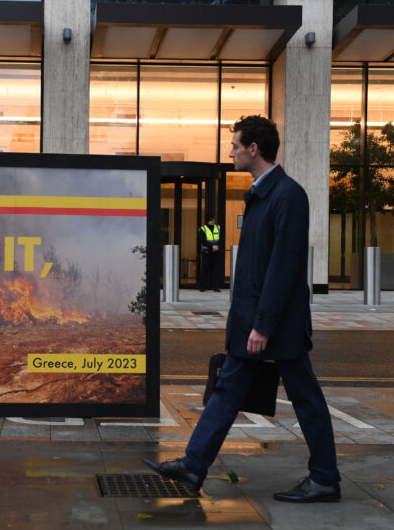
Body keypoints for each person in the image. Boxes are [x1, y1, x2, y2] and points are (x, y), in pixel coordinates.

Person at [143, 115, 341, 502]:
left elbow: (283, 268)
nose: (229, 151)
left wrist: (263, 325)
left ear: (254, 149)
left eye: (234, 145)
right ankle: (193, 465)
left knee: (305, 397)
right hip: (254, 322)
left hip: (275, 326)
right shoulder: (262, 194)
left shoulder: (288, 195)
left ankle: (325, 478)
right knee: (227, 388)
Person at [198, 215, 221, 292]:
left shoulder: (218, 228)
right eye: (211, 220)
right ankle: (202, 286)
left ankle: (216, 286)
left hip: (216, 252)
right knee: (205, 270)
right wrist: (212, 246)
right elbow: (202, 240)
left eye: (214, 220)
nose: (213, 221)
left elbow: (222, 238)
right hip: (207, 252)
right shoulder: (203, 229)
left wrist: (218, 246)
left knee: (216, 270)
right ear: (208, 221)